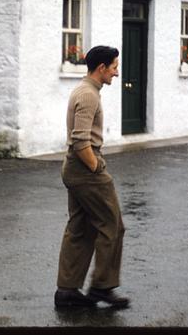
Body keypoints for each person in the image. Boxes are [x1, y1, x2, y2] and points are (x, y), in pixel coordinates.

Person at [54, 45, 130, 309]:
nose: (116, 73)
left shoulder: (84, 90)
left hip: (75, 169)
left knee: (81, 228)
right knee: (112, 225)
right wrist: (97, 167)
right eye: (114, 67)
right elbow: (80, 141)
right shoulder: (88, 95)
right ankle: (102, 287)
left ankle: (67, 291)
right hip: (85, 170)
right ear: (101, 68)